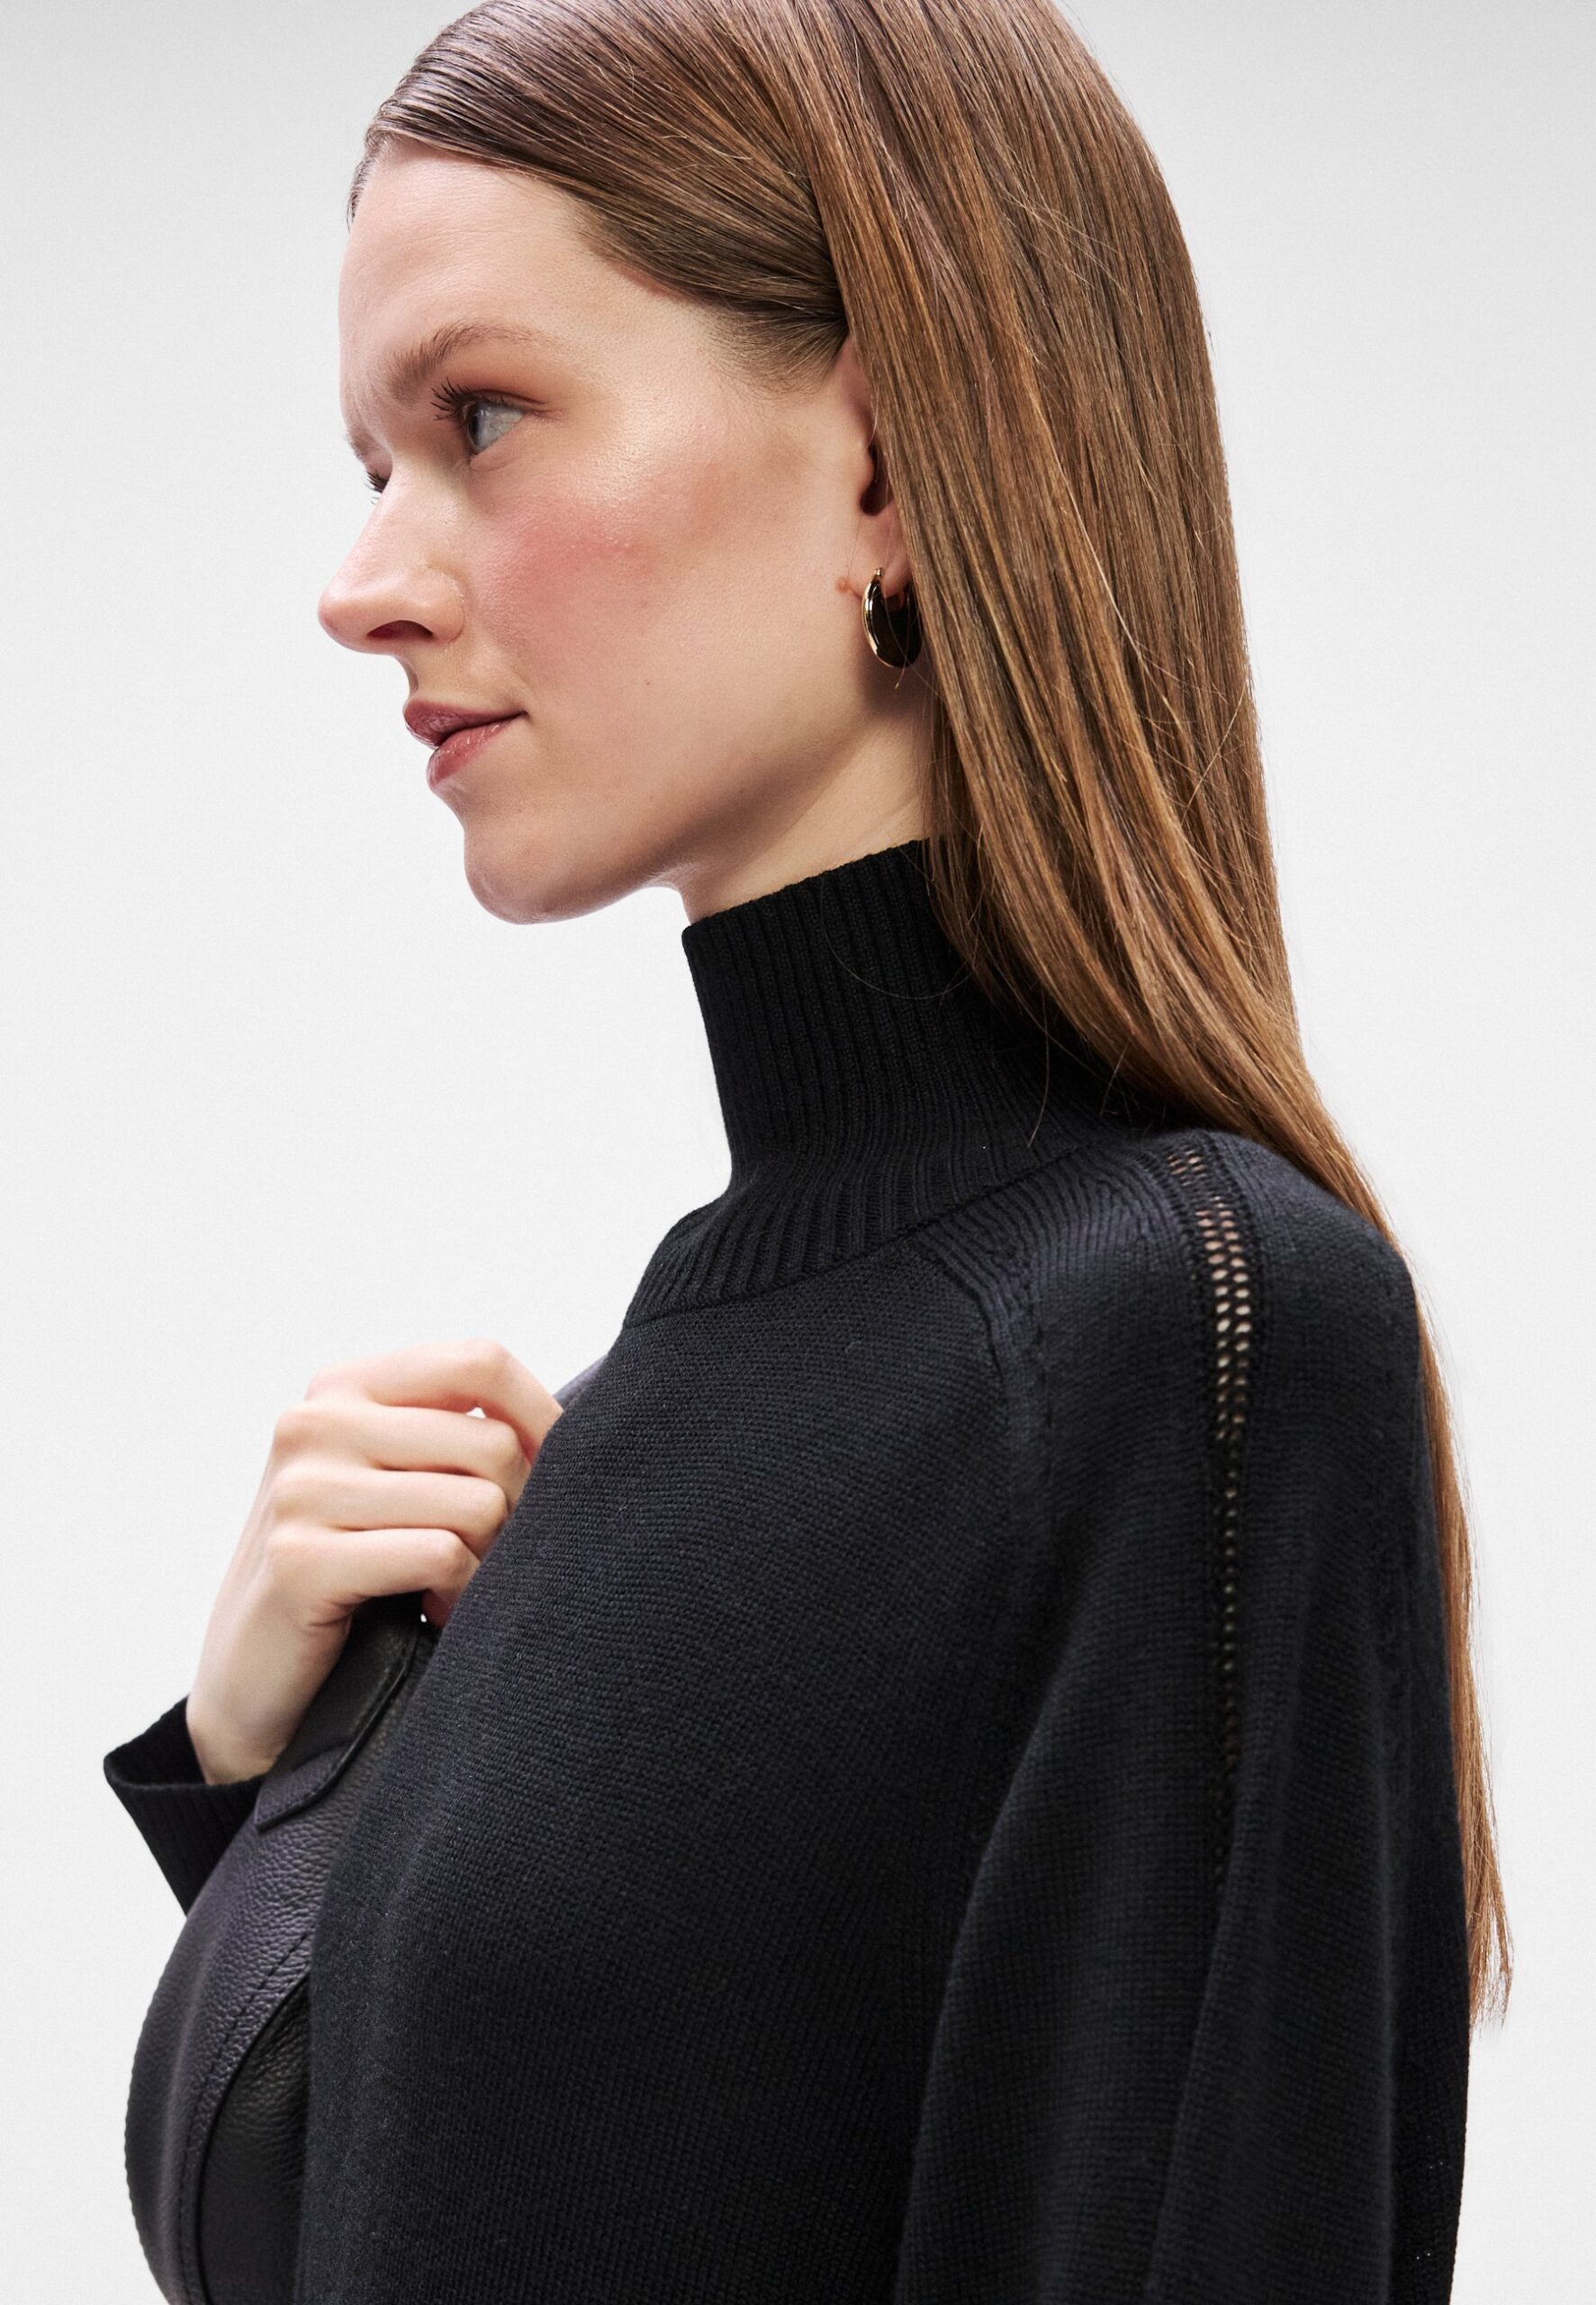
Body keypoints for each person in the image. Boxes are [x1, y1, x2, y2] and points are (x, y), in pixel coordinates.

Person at [104, 3, 1510, 2299]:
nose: (360, 580)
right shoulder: (636, 1414)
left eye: (478, 419)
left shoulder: (1181, 1335)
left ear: (880, 463)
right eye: (369, 461)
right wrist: (277, 1782)